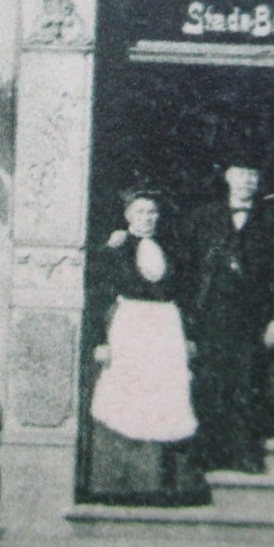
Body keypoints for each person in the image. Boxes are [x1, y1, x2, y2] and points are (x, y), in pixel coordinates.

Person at [89, 192, 206, 504]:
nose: (147, 217)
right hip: (130, 327)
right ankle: (122, 485)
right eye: (140, 212)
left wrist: (188, 337)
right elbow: (100, 296)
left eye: (152, 212)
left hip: (166, 327)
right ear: (128, 216)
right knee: (127, 393)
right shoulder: (116, 249)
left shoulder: (171, 248)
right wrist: (100, 341)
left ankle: (163, 484)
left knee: (165, 394)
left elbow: (185, 293)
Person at [182, 163, 274, 475]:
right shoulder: (204, 218)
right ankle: (207, 457)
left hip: (252, 318)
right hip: (210, 316)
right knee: (210, 383)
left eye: (253, 176)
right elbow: (186, 270)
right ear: (228, 178)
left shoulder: (271, 221)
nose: (246, 181)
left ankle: (245, 454)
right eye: (240, 174)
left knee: (248, 384)